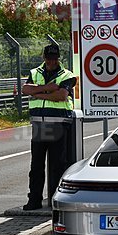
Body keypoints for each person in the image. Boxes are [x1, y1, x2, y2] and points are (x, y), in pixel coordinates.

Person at [21, 44, 77, 210]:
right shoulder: (35, 73)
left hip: (59, 123)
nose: (52, 61)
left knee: (58, 165)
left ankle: (55, 199)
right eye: (49, 58)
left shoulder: (67, 75)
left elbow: (61, 95)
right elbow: (25, 89)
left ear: (58, 58)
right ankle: (34, 200)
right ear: (44, 57)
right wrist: (46, 89)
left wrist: (36, 92)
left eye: (54, 58)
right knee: (36, 165)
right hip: (39, 122)